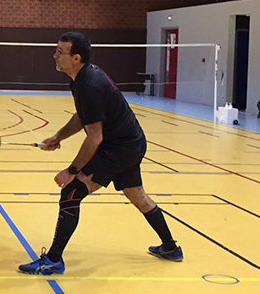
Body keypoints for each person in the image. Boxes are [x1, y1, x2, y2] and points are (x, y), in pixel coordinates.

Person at [19, 31, 183, 275]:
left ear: (76, 58)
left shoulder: (90, 84)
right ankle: (170, 248)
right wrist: (58, 137)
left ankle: (53, 260)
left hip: (119, 148)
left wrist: (71, 171)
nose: (55, 56)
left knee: (71, 193)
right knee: (138, 196)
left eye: (60, 52)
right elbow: (83, 116)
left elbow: (95, 137)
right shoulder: (80, 79)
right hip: (131, 143)